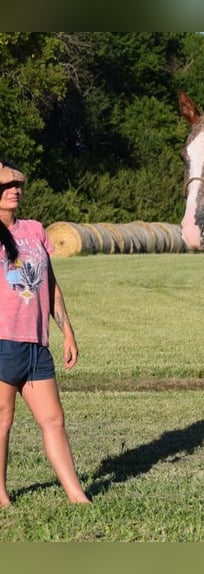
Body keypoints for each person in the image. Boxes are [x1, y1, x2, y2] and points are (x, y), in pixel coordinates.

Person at [0, 161, 90, 506]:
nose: (15, 190)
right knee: (3, 421)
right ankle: (2, 497)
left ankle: (76, 494)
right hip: (4, 342)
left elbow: (50, 285)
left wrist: (67, 330)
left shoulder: (35, 230)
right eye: (7, 186)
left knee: (53, 419)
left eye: (18, 185)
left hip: (37, 344)